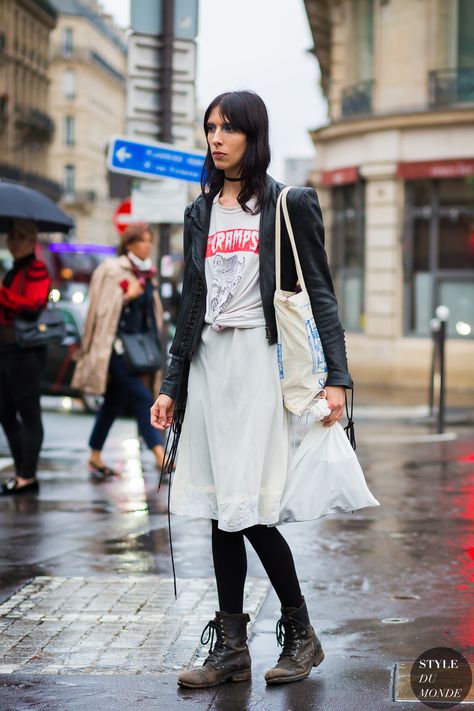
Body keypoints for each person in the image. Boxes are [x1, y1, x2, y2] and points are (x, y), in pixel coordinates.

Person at [150, 91, 353, 688]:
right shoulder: (200, 211)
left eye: (228, 128)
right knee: (221, 507)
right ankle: (233, 646)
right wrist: (172, 384)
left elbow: (321, 293)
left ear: (252, 135)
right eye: (210, 127)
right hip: (211, 365)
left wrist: (338, 376)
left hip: (261, 364)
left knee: (250, 509)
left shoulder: (289, 204)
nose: (215, 137)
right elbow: (191, 303)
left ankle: (300, 633)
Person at [72, 223, 166, 479]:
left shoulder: (148, 274)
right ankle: (160, 455)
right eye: (143, 241)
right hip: (113, 349)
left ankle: (94, 455)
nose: (148, 245)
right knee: (143, 399)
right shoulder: (112, 270)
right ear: (130, 244)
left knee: (112, 404)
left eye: (150, 241)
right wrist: (126, 296)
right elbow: (100, 309)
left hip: (138, 351)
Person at [0, 219, 51, 496]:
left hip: (26, 351)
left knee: (29, 413)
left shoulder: (37, 268)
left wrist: (3, 294)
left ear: (32, 241)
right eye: (11, 236)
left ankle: (27, 476)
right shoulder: (13, 270)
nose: (13, 241)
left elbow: (33, 306)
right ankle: (22, 472)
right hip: (8, 349)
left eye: (20, 237)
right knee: (6, 412)